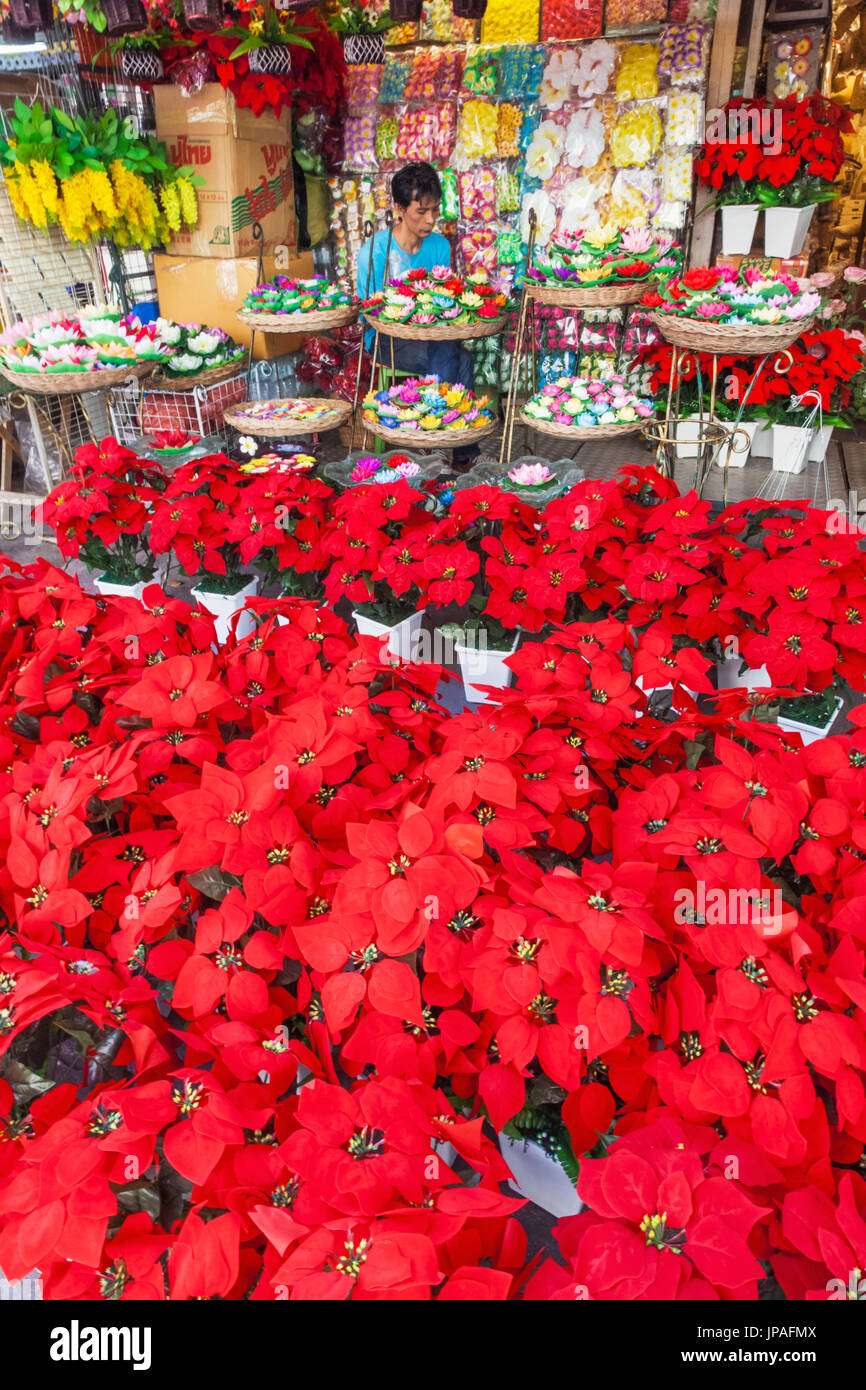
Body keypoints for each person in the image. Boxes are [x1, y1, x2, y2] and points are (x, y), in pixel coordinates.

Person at [356, 161, 480, 465]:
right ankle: (446, 443)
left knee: (459, 356)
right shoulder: (375, 251)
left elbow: (443, 299)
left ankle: (443, 442)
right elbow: (367, 314)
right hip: (387, 338)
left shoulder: (439, 246)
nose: (430, 220)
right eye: (421, 211)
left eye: (434, 211)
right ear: (399, 208)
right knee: (452, 355)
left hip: (431, 336)